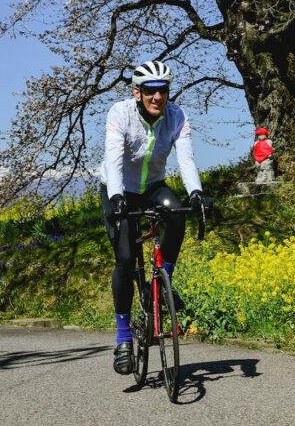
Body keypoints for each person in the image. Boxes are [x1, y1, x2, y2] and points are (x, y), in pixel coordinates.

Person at [103, 59, 207, 376]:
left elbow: (186, 159)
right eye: (150, 91)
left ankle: (163, 283)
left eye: (163, 91)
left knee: (177, 213)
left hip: (153, 186)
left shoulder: (177, 116)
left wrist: (197, 193)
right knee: (124, 256)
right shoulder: (119, 114)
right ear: (137, 92)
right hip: (120, 188)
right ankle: (123, 338)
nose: (157, 97)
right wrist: (118, 198)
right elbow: (114, 159)